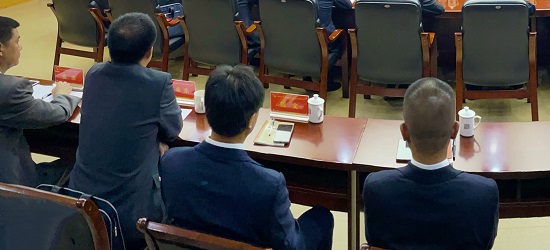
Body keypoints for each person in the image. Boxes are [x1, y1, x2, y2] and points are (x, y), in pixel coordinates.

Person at [160, 65, 334, 250]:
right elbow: (290, 245)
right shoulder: (270, 185)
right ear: (252, 120)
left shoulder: (170, 161)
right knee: (322, 218)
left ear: (207, 110)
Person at [69, 13, 183, 250]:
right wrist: (156, 140)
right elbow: (173, 129)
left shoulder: (94, 73)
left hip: (80, 202)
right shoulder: (158, 82)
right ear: (149, 52)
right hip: (131, 215)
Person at [363, 77, 499, 250]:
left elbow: (374, 240)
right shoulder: (484, 193)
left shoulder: (376, 188)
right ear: (454, 131)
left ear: (404, 132)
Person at [0, 16, 81, 187]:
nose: (20, 46)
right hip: (14, 187)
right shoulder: (11, 90)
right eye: (17, 41)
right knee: (83, 163)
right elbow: (58, 114)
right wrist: (62, 94)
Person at [290, 0, 353, 91]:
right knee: (341, 41)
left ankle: (307, 77)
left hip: (298, 36)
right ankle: (324, 77)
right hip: (324, 38)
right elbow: (347, 6)